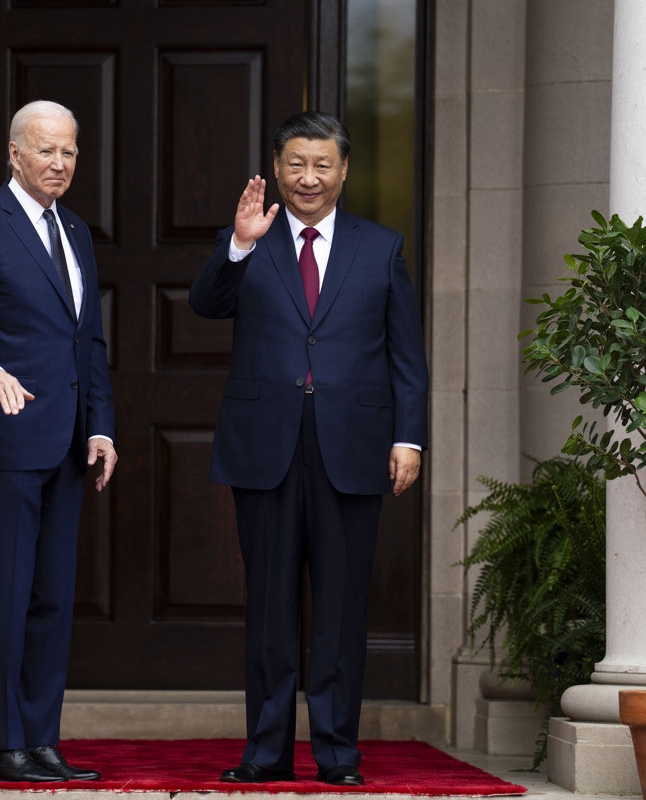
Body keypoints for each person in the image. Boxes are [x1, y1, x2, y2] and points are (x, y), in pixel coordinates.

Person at [189, 111, 429, 786]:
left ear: (344, 170)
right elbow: (205, 304)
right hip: (265, 446)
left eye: (323, 165)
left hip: (352, 447)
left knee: (341, 610)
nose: (309, 177)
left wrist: (408, 437)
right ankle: (263, 753)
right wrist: (237, 244)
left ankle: (338, 755)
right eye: (296, 164)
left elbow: (406, 356)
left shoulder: (380, 247)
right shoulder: (250, 239)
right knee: (269, 610)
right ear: (275, 167)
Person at [0, 100, 116, 783]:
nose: (59, 164)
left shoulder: (76, 230)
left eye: (69, 152)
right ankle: (0, 747)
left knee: (53, 600)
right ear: (14, 153)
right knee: (9, 596)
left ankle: (40, 742)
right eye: (46, 151)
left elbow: (87, 342)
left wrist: (101, 425)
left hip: (68, 444)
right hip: (6, 439)